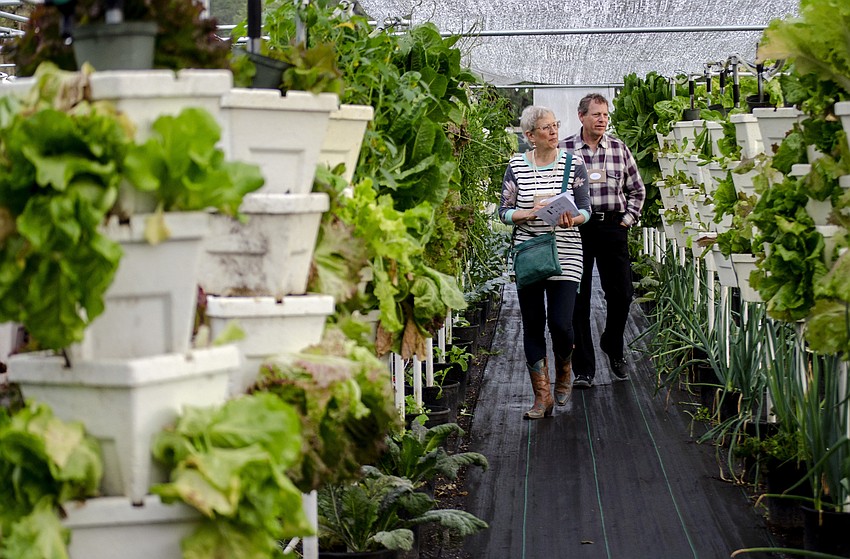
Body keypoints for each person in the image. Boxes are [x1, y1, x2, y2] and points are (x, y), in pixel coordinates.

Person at [499, 106, 591, 419]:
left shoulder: (572, 163)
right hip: (529, 252)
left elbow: (585, 209)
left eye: (555, 125)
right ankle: (542, 398)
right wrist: (521, 214)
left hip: (566, 250)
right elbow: (503, 210)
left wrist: (573, 219)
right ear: (530, 136)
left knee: (562, 323)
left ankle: (565, 366)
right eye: (546, 128)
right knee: (534, 324)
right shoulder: (516, 165)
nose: (553, 132)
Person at [558, 93, 646, 389]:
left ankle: (612, 341)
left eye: (605, 115)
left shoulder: (619, 149)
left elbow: (637, 190)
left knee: (622, 292)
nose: (602, 120)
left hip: (612, 227)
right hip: (576, 230)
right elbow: (554, 189)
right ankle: (584, 368)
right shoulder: (565, 149)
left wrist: (627, 220)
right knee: (578, 299)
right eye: (596, 114)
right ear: (581, 116)